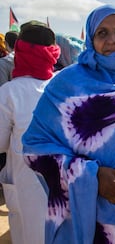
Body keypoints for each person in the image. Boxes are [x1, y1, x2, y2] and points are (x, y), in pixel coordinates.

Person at [22, 5, 115, 243]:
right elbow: (34, 147)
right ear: (91, 39)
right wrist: (91, 176)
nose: (112, 40)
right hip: (91, 220)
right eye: (102, 33)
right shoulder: (67, 84)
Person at [0, 21, 60, 244]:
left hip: (27, 187)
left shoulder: (10, 92)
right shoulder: (62, 85)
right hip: (64, 187)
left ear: (20, 51)